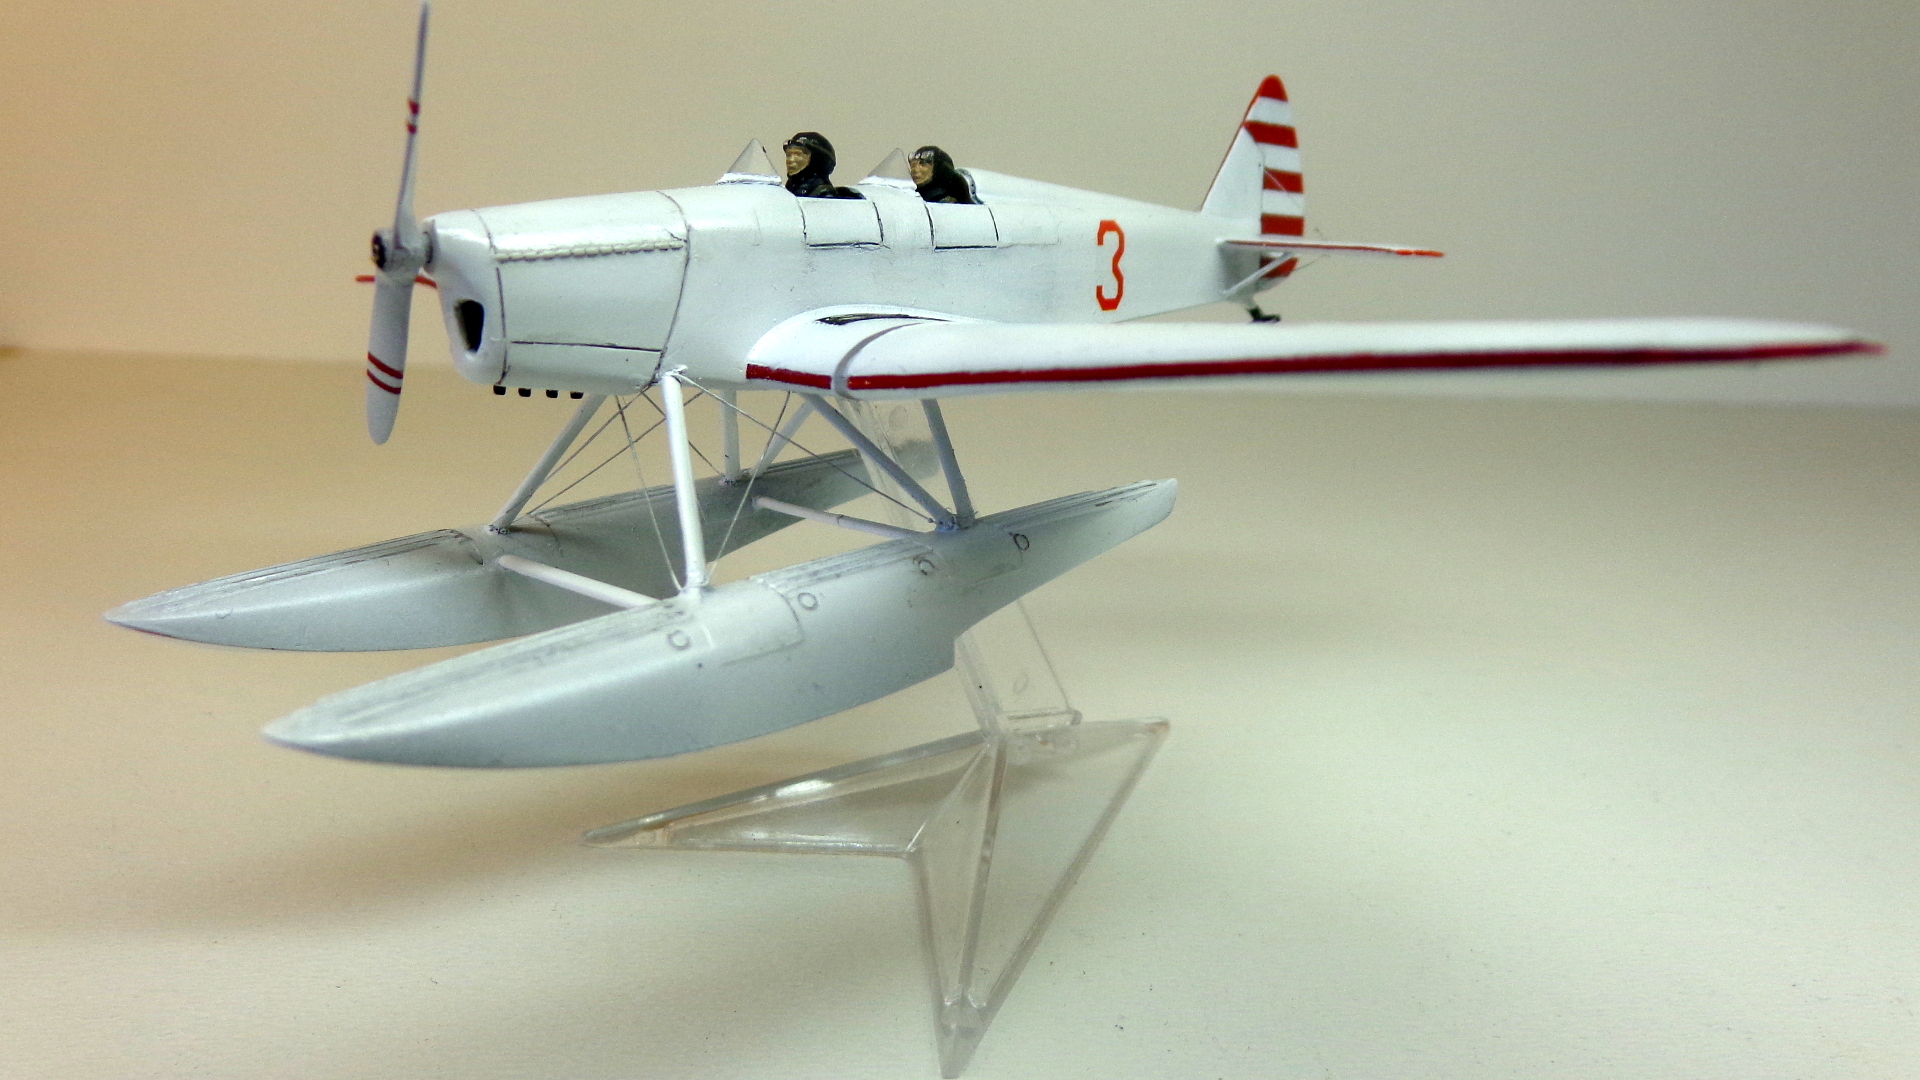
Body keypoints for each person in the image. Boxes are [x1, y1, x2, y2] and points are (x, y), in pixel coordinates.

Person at [784, 132, 857, 199]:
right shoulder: (791, 189)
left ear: (816, 159)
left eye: (798, 154)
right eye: (788, 155)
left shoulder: (824, 194)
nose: (790, 160)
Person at [909, 146, 975, 204]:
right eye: (913, 166)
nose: (915, 170)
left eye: (923, 165)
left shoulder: (947, 202)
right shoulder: (912, 197)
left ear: (938, 168)